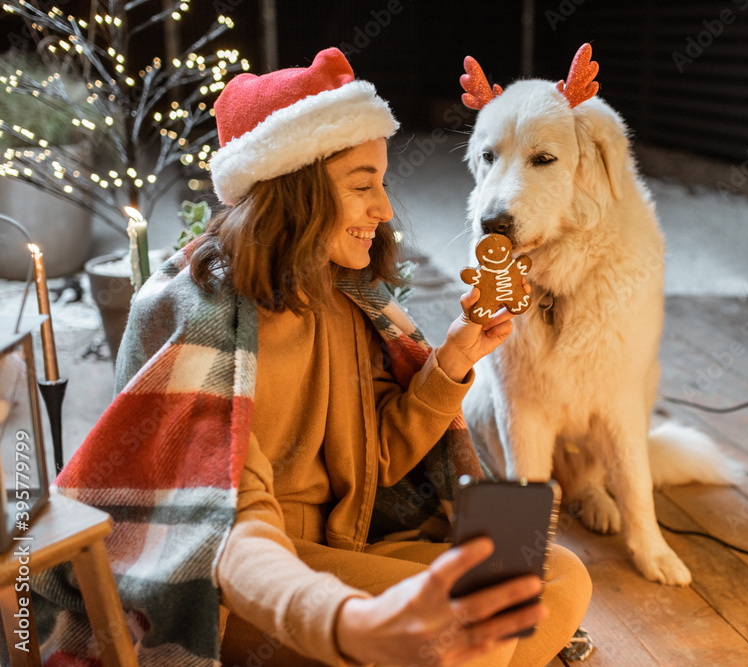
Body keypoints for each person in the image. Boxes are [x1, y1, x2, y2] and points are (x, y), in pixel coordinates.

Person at [37, 47, 589, 667]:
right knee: (462, 639)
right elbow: (228, 532)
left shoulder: (343, 295)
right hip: (233, 589)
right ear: (293, 191)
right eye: (362, 186)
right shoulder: (197, 313)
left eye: (381, 182)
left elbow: (375, 462)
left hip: (341, 544)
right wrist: (345, 623)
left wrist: (453, 361)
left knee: (556, 574)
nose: (383, 209)